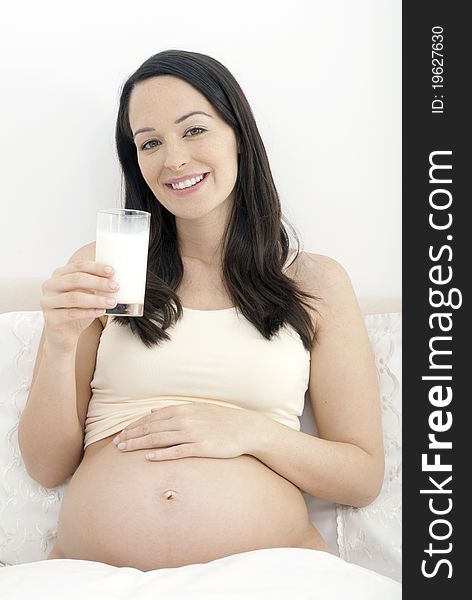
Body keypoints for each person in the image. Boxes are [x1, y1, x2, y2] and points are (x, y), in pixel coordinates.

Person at [18, 49, 384, 571]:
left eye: (193, 130)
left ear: (238, 134)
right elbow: (46, 466)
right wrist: (59, 345)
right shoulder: (106, 269)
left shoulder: (314, 282)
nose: (174, 160)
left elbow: (361, 477)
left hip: (270, 574)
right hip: (96, 575)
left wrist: (248, 431)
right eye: (150, 143)